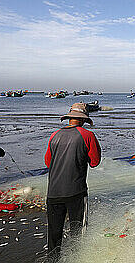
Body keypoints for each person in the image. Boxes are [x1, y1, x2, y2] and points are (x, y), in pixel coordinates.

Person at [45, 103, 101, 261]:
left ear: (70, 118)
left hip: (53, 193)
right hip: (76, 192)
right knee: (78, 234)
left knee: (54, 236)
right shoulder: (87, 135)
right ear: (83, 120)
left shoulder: (54, 135)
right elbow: (95, 162)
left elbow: (48, 162)